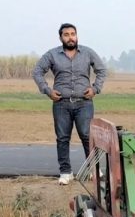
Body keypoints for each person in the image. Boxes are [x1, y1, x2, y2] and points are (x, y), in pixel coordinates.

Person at [33, 23, 107, 185]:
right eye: (66, 34)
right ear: (61, 37)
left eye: (73, 34)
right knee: (62, 138)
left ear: (77, 36)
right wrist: (47, 91)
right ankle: (65, 172)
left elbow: (101, 70)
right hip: (61, 104)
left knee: (88, 137)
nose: (70, 37)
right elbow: (37, 71)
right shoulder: (52, 55)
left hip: (84, 103)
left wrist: (95, 89)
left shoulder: (87, 53)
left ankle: (93, 170)